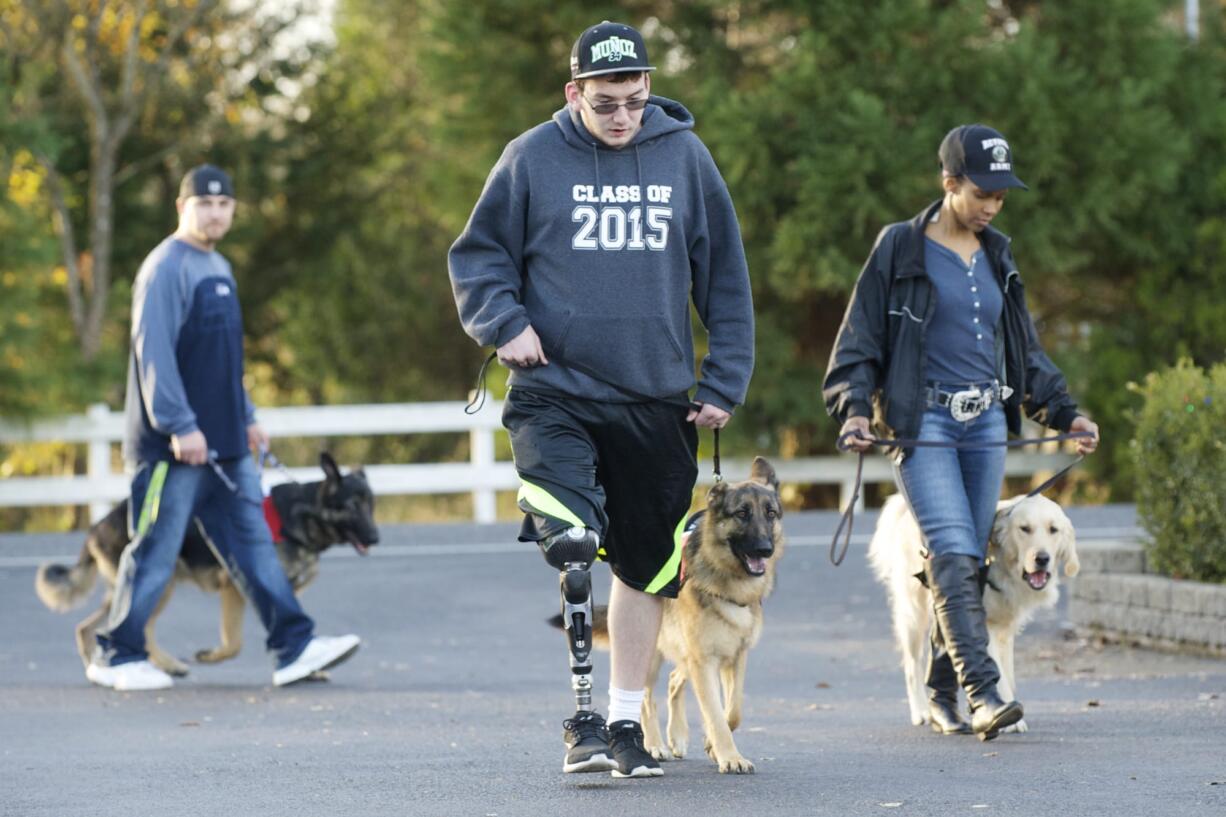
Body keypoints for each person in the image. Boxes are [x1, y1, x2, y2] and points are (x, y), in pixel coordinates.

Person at [449, 21, 754, 777]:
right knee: (576, 538)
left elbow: (725, 277)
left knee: (647, 569)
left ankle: (623, 725)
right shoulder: (531, 158)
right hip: (555, 388)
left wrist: (724, 380)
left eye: (634, 100)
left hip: (656, 399)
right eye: (605, 102)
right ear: (574, 92)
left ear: (649, 87)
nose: (622, 117)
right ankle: (578, 717)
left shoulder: (684, 156)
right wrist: (505, 322)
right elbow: (477, 257)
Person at [823, 125, 1099, 739]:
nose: (992, 206)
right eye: (982, 194)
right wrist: (855, 411)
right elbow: (861, 337)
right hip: (923, 424)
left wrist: (1066, 414)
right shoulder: (900, 248)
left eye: (1001, 196)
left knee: (969, 559)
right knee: (949, 546)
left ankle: (942, 691)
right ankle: (984, 691)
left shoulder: (998, 253)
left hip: (985, 427)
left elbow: (1024, 351)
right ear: (949, 184)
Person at [86, 164, 361, 691]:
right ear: (182, 208)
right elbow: (155, 354)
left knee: (254, 547)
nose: (214, 213)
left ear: (233, 209)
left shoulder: (220, 267)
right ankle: (116, 654)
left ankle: (294, 648)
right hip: (174, 448)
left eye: (223, 204)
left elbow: (222, 359)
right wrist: (179, 425)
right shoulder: (166, 267)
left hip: (225, 445)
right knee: (156, 549)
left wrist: (248, 416)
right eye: (203, 204)